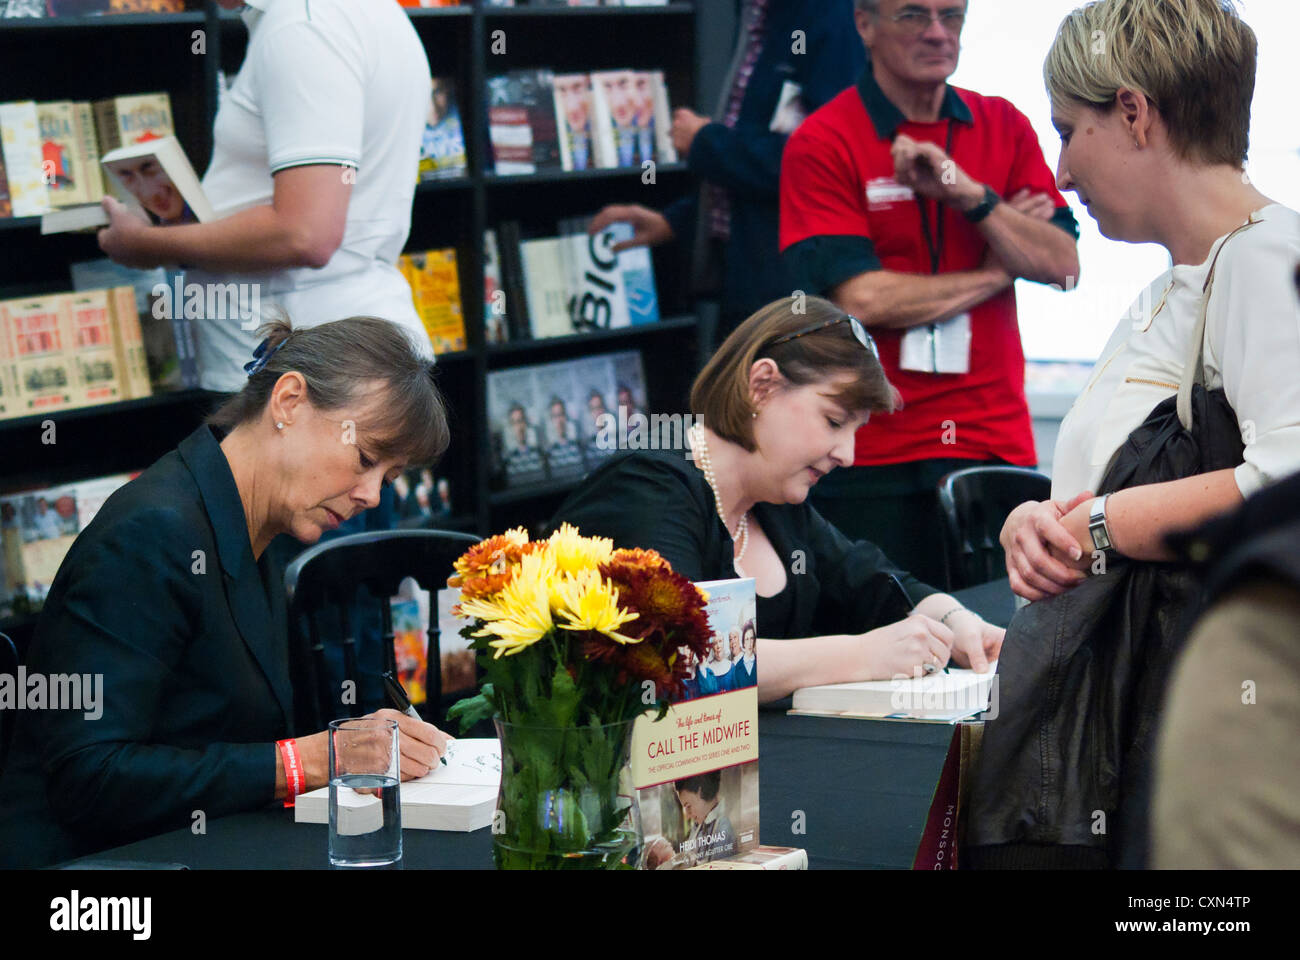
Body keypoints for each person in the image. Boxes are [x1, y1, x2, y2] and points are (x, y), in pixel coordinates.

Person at [967, 0, 1300, 868]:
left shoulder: (1263, 264)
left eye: (1069, 131)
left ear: (1134, 112)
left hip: (1201, 730)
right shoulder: (1171, 290)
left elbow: (1287, 478)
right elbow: (1092, 489)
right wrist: (1034, 525)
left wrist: (1093, 527)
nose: (1062, 170)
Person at [0, 316, 453, 868]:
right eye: (364, 458)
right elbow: (88, 776)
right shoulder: (152, 534)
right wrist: (309, 759)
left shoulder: (256, 521)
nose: (371, 495)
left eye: (390, 475)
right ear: (288, 401)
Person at [552, 296, 1003, 703]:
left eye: (854, 431)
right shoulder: (646, 488)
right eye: (833, 421)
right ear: (762, 385)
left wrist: (957, 622)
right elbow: (676, 659)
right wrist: (861, 654)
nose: (847, 455)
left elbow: (878, 583)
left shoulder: (776, 507)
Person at [778, 0, 1081, 586]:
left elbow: (1063, 266)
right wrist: (998, 271)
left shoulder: (1004, 125)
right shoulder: (822, 140)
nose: (938, 33)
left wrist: (968, 194)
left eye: (953, 16)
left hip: (992, 436)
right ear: (864, 25)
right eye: (914, 15)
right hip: (871, 444)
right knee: (896, 645)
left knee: (1000, 641)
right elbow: (864, 299)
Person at [96, 0, 435, 393]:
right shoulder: (360, 12)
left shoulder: (302, 25)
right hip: (330, 364)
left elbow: (305, 234)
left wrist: (148, 245)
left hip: (307, 379)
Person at [589, 0, 867, 341]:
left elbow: (824, 161)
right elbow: (758, 146)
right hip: (744, 281)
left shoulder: (832, 17)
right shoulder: (755, 12)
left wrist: (706, 143)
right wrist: (677, 221)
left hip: (791, 297)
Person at [733, 621, 759, 688]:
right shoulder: (738, 667)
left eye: (752, 638)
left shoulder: (760, 662)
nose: (750, 643)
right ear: (743, 643)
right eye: (747, 639)